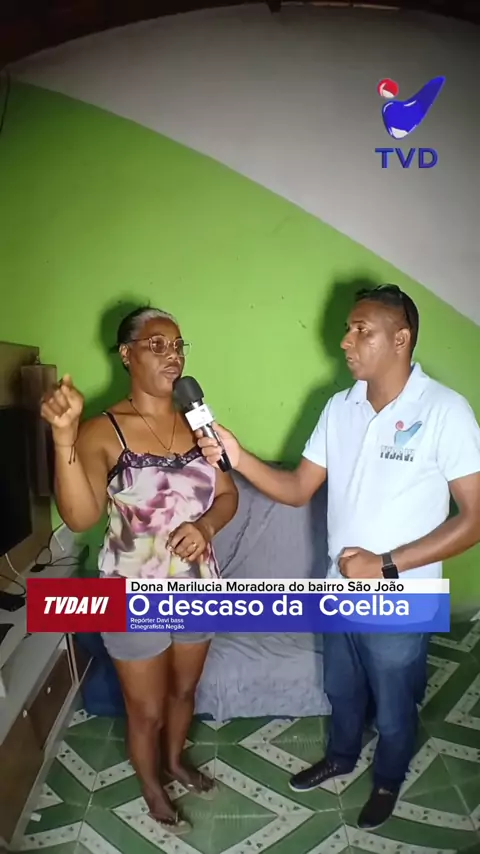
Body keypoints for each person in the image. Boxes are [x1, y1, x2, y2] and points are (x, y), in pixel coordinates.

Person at [196, 284, 480, 829]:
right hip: (338, 586)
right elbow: (298, 488)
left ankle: (388, 778)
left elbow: (474, 519)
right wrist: (237, 457)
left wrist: (385, 564)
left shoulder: (445, 411)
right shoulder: (340, 407)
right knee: (342, 690)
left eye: (361, 331)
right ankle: (342, 756)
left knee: (394, 705)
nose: (345, 341)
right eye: (348, 329)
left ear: (401, 339)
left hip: (404, 598)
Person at [40, 306, 238, 834]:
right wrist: (63, 438)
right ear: (127, 354)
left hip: (199, 588)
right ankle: (152, 785)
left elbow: (227, 493)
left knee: (184, 693)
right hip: (133, 597)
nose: (172, 356)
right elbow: (81, 517)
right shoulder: (102, 431)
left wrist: (207, 527)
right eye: (157, 345)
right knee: (145, 710)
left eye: (177, 346)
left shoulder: (199, 423)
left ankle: (175, 761)